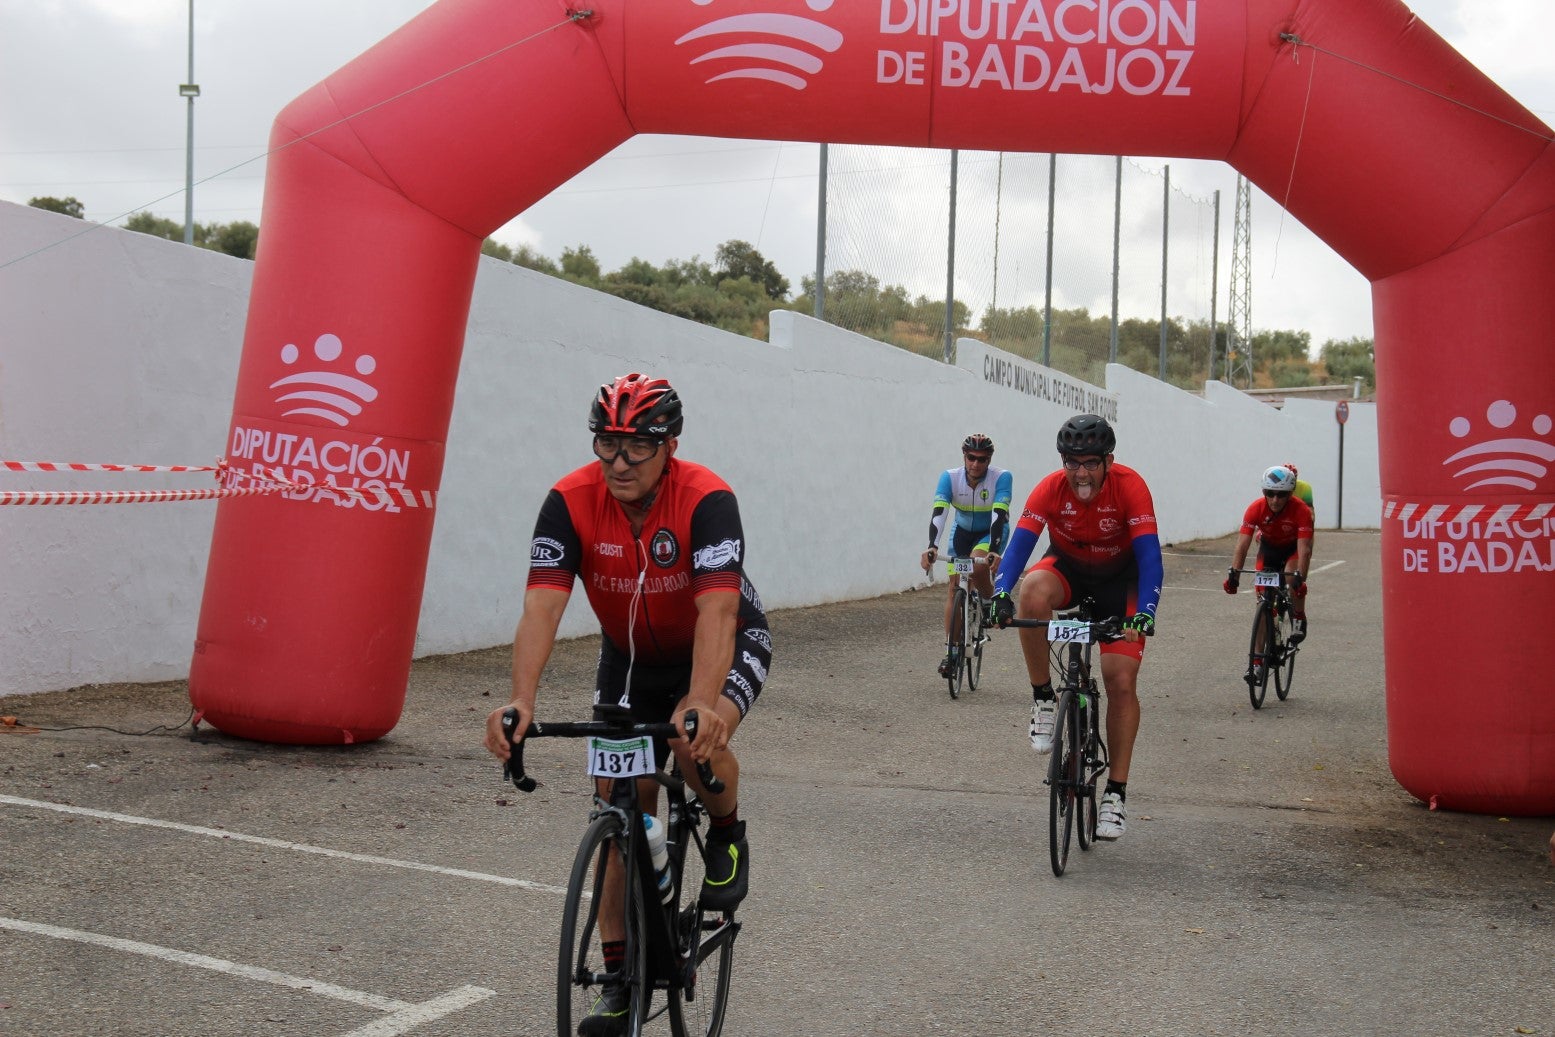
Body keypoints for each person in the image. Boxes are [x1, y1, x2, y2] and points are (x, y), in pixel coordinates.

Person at [483, 372, 769, 1037]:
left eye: (636, 446)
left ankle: (725, 832)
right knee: (619, 798)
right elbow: (541, 606)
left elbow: (718, 610)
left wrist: (703, 700)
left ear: (670, 444)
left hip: (722, 638)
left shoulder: (706, 499)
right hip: (630, 659)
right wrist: (520, 699)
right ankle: (616, 979)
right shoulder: (569, 500)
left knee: (688, 736)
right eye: (606, 444)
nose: (618, 462)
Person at [989, 414, 1162, 841]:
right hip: (1069, 570)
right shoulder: (1051, 488)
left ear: (1108, 461)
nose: (1080, 472)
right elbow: (1019, 548)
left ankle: (1115, 795)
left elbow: (1149, 558)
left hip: (1121, 583)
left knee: (1119, 679)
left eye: (1089, 463)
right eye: (1072, 462)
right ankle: (1044, 698)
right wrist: (998, 592)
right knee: (1030, 592)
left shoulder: (1131, 486)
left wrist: (1145, 612)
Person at [921, 433, 1013, 677]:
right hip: (961, 532)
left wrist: (993, 550)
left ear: (989, 459)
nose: (976, 464)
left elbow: (999, 516)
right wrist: (933, 545)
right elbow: (939, 512)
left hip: (990, 532)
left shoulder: (1001, 478)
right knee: (954, 587)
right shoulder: (949, 478)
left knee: (978, 564)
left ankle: (986, 599)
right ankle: (951, 652)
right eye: (971, 458)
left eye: (982, 459)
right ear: (964, 456)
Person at [1224, 465, 1315, 671]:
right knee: (1262, 603)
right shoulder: (1255, 508)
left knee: (1292, 580)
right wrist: (1234, 574)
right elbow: (1242, 545)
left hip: (1292, 550)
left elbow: (1305, 550)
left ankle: (1298, 615)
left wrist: (1301, 579)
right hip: (1269, 550)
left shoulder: (1301, 511)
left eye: (1281, 495)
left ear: (1290, 494)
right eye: (1269, 493)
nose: (1275, 500)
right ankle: (1257, 661)